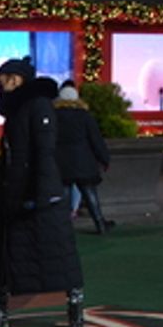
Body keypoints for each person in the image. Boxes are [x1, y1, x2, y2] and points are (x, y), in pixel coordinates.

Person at [0, 58, 86, 327]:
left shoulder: (36, 106)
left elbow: (44, 152)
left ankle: (74, 309)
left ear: (16, 79)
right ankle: (2, 311)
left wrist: (41, 194)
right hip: (17, 193)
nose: (0, 87)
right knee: (16, 254)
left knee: (55, 255)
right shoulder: (19, 109)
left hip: (35, 196)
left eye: (3, 80)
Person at [53, 81, 114, 234]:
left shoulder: (54, 116)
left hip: (61, 162)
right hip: (83, 161)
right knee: (90, 193)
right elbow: (96, 139)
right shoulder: (85, 116)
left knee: (64, 195)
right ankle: (100, 224)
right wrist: (104, 158)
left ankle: (63, 227)